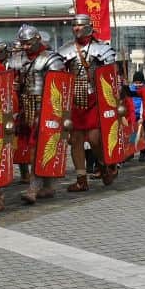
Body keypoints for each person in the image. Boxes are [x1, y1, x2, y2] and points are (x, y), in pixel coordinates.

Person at [57, 14, 118, 192]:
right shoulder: (65, 50)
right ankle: (81, 179)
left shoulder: (102, 49)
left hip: (95, 98)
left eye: (80, 25)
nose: (76, 28)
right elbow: (58, 77)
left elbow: (112, 76)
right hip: (74, 100)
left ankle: (103, 164)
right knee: (75, 140)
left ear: (89, 26)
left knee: (94, 138)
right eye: (74, 25)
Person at [12, 24, 66, 205]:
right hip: (24, 106)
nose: (25, 47)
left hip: (45, 107)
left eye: (28, 43)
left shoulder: (51, 59)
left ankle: (33, 188)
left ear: (37, 40)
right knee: (31, 146)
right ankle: (48, 186)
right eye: (23, 44)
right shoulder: (17, 58)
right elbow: (8, 80)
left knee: (37, 147)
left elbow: (59, 87)